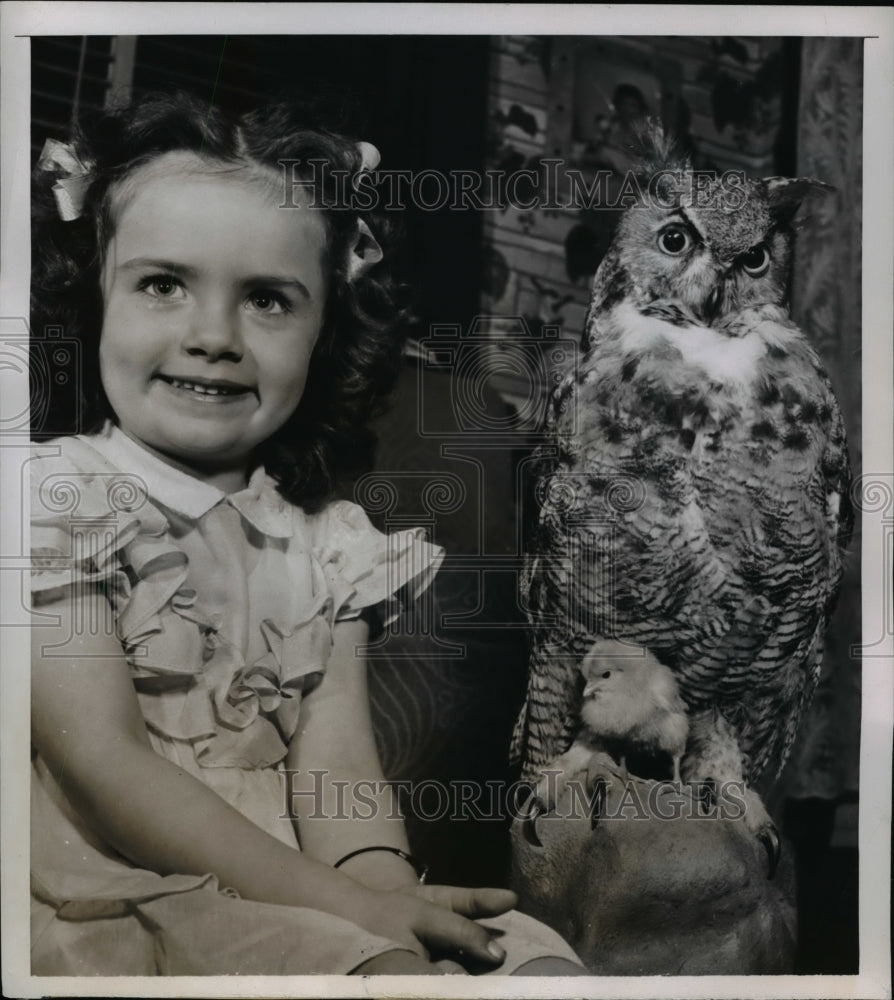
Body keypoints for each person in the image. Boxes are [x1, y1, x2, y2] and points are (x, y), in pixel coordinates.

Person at [28, 92, 586, 978]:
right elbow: (108, 769)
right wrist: (359, 921)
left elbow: (341, 776)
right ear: (95, 295)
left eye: (267, 301)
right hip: (123, 888)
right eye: (163, 284)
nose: (212, 336)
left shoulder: (330, 543)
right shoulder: (53, 500)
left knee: (533, 964)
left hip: (309, 888)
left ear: (325, 330)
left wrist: (389, 896)